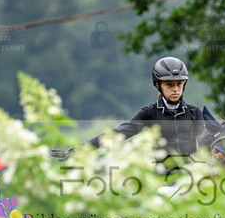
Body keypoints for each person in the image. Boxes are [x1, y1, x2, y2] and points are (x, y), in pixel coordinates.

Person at [60, 57, 211, 166]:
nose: (176, 89)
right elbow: (116, 135)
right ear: (158, 85)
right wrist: (76, 151)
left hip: (191, 178)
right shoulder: (149, 113)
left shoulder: (194, 113)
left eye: (179, 84)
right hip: (162, 180)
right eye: (169, 84)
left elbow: (204, 142)